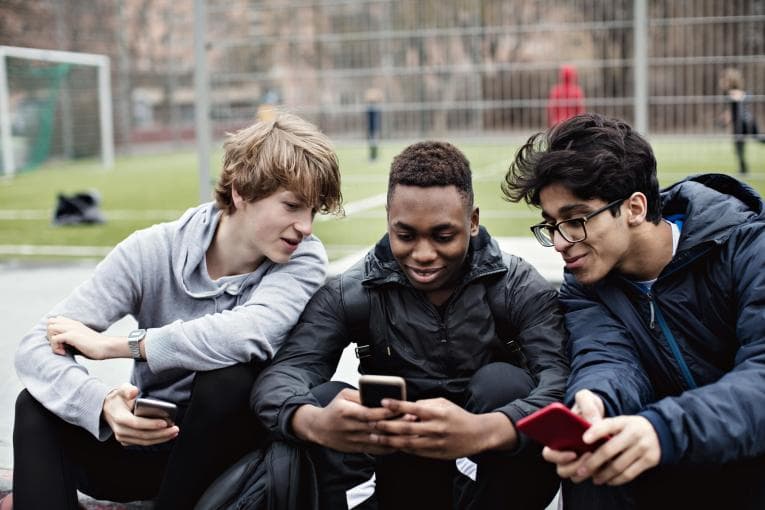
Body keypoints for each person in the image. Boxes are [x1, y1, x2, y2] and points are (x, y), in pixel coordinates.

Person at [9, 112, 343, 509]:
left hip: (230, 464)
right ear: (241, 191)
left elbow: (246, 333)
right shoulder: (153, 250)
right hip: (146, 444)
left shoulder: (303, 259)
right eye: (292, 206)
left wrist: (120, 346)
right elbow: (34, 346)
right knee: (34, 405)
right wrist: (101, 404)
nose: (305, 226)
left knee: (229, 377)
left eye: (313, 211)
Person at [251, 141, 568, 510]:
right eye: (405, 235)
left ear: (474, 221)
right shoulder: (352, 292)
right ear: (389, 219)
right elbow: (282, 376)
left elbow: (561, 381)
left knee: (503, 384)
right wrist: (313, 422)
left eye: (443, 236)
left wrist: (489, 428)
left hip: (492, 473)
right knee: (323, 400)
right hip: (398, 473)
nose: (423, 254)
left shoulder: (517, 286)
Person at [501, 112, 765, 509]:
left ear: (635, 208)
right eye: (551, 224)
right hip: (670, 464)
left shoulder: (746, 248)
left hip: (747, 460)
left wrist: (662, 430)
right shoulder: (586, 284)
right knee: (591, 463)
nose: (560, 242)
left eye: (575, 220)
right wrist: (595, 399)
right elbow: (608, 358)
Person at [718, 67, 764, 175]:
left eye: (723, 80)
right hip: (743, 121)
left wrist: (724, 121)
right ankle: (743, 169)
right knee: (739, 145)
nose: (720, 82)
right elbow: (731, 111)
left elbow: (739, 103)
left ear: (729, 81)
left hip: (745, 122)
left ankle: (743, 169)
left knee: (752, 141)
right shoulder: (730, 94)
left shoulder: (734, 93)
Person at [364, 88, 383, 161]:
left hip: (375, 128)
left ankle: (374, 156)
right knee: (371, 142)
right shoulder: (369, 108)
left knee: (375, 142)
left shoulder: (377, 107)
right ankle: (372, 156)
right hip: (371, 128)